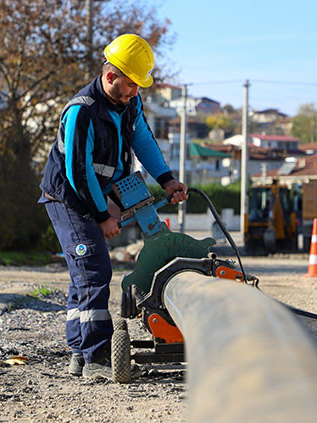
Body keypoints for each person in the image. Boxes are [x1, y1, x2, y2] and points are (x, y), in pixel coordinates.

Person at [39, 33, 188, 381]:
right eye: (132, 84)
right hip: (70, 198)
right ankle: (96, 359)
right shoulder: (82, 112)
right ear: (110, 76)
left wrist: (166, 179)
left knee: (84, 274)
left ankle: (79, 352)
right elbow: (79, 172)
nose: (136, 91)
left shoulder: (128, 104)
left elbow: (143, 141)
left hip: (101, 191)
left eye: (139, 86)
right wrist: (104, 215)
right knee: (93, 270)